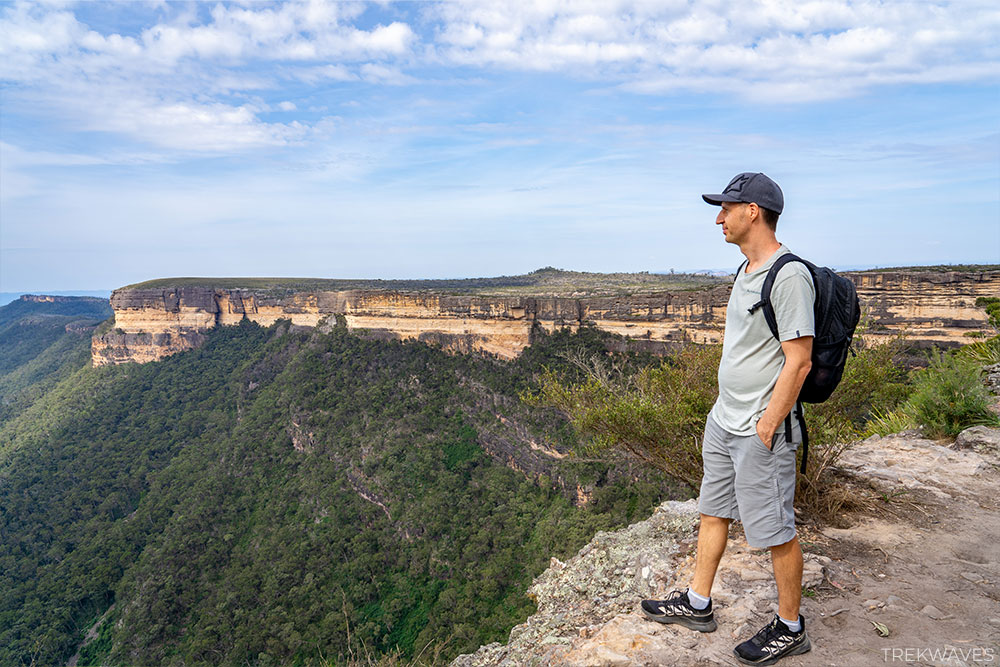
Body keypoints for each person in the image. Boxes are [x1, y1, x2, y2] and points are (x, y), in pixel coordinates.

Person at [641, 172, 815, 666]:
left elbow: (798, 360)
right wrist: (724, 413)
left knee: (775, 530)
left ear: (753, 211)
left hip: (760, 429)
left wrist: (768, 423)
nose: (719, 217)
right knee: (712, 509)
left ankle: (790, 626)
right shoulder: (744, 271)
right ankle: (697, 603)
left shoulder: (789, 275)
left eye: (726, 208)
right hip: (724, 421)